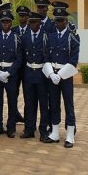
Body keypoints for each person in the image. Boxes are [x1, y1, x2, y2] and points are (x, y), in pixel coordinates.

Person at [42, 8, 80, 148]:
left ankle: (70, 134)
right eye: (56, 20)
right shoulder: (50, 37)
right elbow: (46, 56)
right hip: (52, 75)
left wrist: (60, 74)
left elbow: (73, 59)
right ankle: (55, 133)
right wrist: (51, 74)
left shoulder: (72, 37)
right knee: (54, 104)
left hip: (66, 75)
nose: (58, 23)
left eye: (61, 20)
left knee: (68, 104)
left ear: (66, 21)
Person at [0, 10, 22, 138]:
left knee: (12, 100)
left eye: (7, 21)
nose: (5, 24)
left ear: (11, 22)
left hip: (10, 75)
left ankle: (11, 127)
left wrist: (8, 72)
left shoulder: (16, 38)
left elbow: (19, 58)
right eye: (3, 21)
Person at [20, 12, 50, 141]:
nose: (33, 25)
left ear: (40, 23)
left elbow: (48, 56)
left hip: (41, 73)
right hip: (28, 73)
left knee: (43, 103)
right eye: (31, 22)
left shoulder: (45, 37)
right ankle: (29, 128)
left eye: (35, 22)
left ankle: (43, 130)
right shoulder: (25, 37)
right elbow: (21, 56)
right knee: (29, 103)